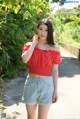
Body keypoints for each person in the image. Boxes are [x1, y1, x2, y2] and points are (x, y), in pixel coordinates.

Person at [21, 18, 62, 119]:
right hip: (31, 83)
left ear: (50, 31)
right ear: (37, 29)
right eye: (40, 29)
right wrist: (34, 44)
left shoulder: (54, 49)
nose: (43, 33)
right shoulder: (29, 45)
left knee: (42, 117)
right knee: (30, 117)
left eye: (46, 30)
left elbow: (55, 70)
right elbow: (25, 59)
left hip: (47, 85)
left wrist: (55, 90)